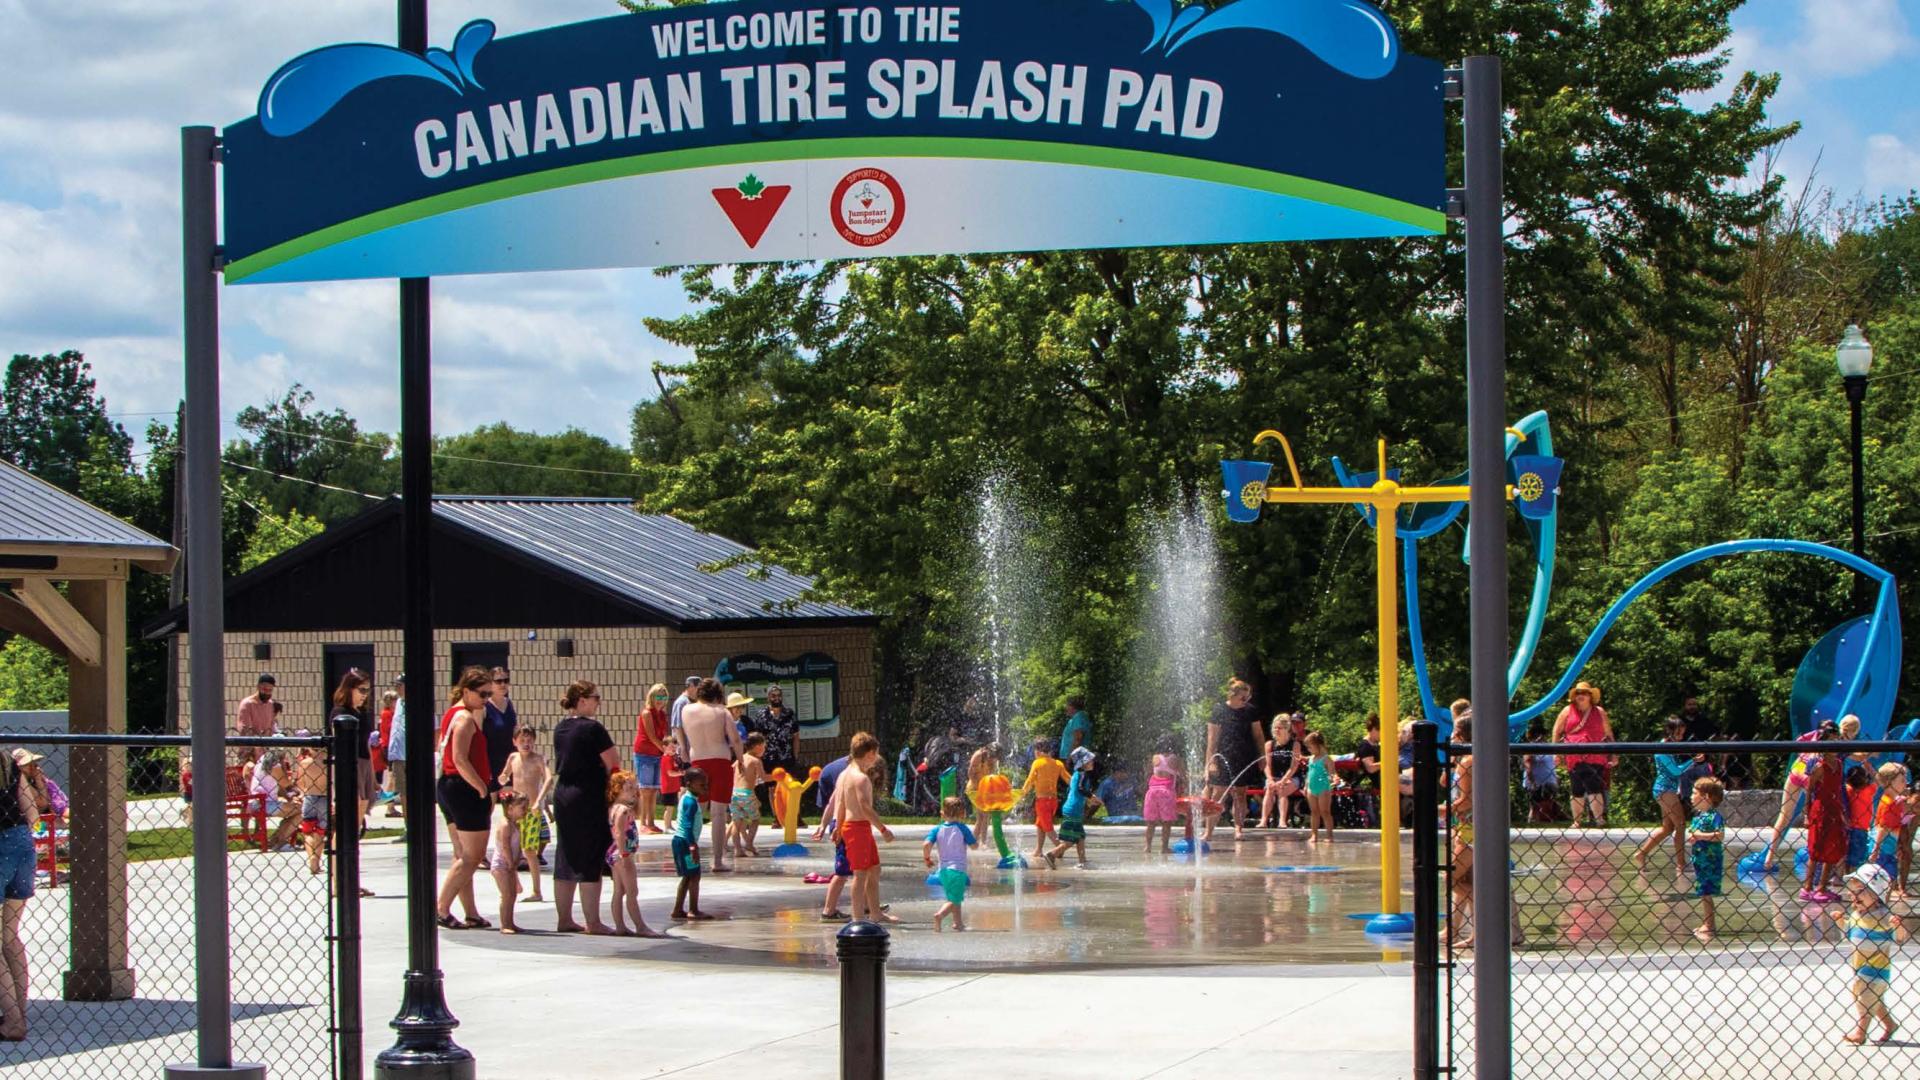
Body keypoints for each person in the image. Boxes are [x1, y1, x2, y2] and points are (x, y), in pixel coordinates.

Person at [551, 680, 617, 935]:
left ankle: (565, 918)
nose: (598, 702)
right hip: (588, 794)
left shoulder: (560, 728)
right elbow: (613, 763)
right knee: (590, 855)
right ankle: (593, 921)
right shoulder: (593, 729)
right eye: (595, 697)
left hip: (563, 794)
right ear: (582, 700)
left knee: (566, 854)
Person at [435, 667, 498, 930]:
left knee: (462, 855)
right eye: (482, 694)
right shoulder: (463, 719)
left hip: (450, 788)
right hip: (463, 789)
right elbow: (459, 759)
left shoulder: (454, 715)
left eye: (489, 694)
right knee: (473, 856)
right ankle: (440, 908)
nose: (486, 699)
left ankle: (470, 911)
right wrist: (481, 788)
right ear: (466, 691)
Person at [679, 678, 744, 872]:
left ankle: (688, 855)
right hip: (721, 762)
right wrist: (741, 760)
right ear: (717, 695)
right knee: (718, 813)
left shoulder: (686, 710)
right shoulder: (722, 712)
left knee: (695, 811)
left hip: (697, 762)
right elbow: (735, 739)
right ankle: (717, 861)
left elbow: (682, 738)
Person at [0, 748, 39, 1041]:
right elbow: (33, 812)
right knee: (10, 935)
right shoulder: (11, 767)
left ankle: (12, 1021)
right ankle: (19, 1013)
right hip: (22, 843)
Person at [837, 733, 896, 923]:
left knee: (874, 868)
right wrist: (883, 829)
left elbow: (840, 804)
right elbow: (865, 807)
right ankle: (858, 918)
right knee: (860, 873)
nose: (877, 758)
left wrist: (838, 828)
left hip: (853, 827)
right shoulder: (861, 778)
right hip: (858, 828)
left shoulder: (844, 774)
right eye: (876, 754)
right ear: (870, 753)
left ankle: (876, 912)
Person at [1841, 863, 1901, 1045]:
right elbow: (1848, 933)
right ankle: (1890, 1024)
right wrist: (1839, 921)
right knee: (1872, 1000)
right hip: (1859, 967)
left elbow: (1899, 938)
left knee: (1865, 999)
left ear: (1876, 896)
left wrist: (1898, 926)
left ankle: (1860, 1033)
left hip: (1877, 968)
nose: (1854, 896)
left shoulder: (1883, 915)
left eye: (1860, 891)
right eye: (1852, 891)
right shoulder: (1856, 915)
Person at [1204, 679, 1265, 841]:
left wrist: (1262, 756)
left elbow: (1258, 735)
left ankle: (1238, 829)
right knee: (1218, 794)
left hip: (1245, 755)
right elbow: (1212, 740)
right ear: (1232, 695)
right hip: (1224, 756)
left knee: (1240, 793)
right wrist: (1210, 763)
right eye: (1242, 698)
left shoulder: (1250, 711)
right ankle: (1208, 832)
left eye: (1248, 698)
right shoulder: (1219, 710)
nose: (1246, 701)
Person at [605, 770, 664, 937]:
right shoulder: (623, 810)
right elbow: (619, 833)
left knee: (619, 891)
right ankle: (640, 926)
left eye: (634, 787)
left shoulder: (614, 807)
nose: (633, 790)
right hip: (622, 855)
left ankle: (620, 926)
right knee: (632, 892)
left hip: (613, 853)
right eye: (628, 787)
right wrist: (624, 854)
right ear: (617, 789)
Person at [1632, 717, 1691, 877]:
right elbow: (1676, 771)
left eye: (1682, 734)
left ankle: (1642, 854)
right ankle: (1681, 863)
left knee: (1668, 828)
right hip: (1665, 790)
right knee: (1680, 824)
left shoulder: (1670, 746)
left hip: (1667, 790)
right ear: (1670, 731)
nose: (1680, 737)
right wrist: (1692, 760)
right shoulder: (1662, 748)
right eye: (1678, 733)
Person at [499, 726, 551, 898]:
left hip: (531, 811)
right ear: (514, 742)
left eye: (529, 740)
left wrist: (539, 802)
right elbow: (505, 774)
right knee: (509, 848)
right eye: (522, 741)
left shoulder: (538, 759)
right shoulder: (512, 757)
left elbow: (548, 779)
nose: (526, 744)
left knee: (529, 851)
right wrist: (503, 778)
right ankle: (516, 884)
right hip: (514, 811)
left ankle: (537, 891)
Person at [1551, 682, 1611, 827]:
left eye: (1584, 693)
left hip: (1595, 754)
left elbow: (1608, 733)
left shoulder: (1599, 711)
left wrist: (1613, 753)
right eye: (1578, 693)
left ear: (1590, 696)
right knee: (1576, 787)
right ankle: (1577, 821)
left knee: (1594, 785)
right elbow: (1557, 731)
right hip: (1574, 754)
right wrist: (1555, 753)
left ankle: (1598, 819)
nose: (1580, 696)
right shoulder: (1567, 710)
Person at [1442, 715, 1475, 949]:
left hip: (1469, 829)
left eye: (1455, 732)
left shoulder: (1468, 763)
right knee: (1466, 879)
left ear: (1463, 735)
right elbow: (1447, 783)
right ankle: (1457, 930)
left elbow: (1468, 800)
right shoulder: (1465, 760)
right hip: (1465, 826)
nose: (1451, 736)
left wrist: (1442, 809)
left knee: (1451, 876)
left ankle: (1482, 925)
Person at [331, 668, 376, 837]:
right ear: (349, 688)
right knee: (350, 810)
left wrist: (372, 774)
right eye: (362, 690)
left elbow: (366, 744)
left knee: (362, 808)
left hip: (363, 763)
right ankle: (339, 859)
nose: (365, 695)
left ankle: (351, 852)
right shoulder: (340, 712)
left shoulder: (362, 713)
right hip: (348, 764)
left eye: (368, 690)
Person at [1802, 744, 1848, 903]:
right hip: (1820, 810)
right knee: (1816, 849)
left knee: (1833, 847)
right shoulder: (1820, 767)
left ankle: (1822, 886)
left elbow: (1838, 789)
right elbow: (1809, 789)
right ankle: (1807, 887)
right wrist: (1807, 813)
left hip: (1834, 809)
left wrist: (1842, 812)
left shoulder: (1839, 765)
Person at [923, 796, 977, 931]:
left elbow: (926, 844)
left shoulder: (937, 829)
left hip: (943, 871)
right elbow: (974, 846)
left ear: (942, 813)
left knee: (953, 896)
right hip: (958, 870)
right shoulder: (962, 828)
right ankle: (940, 915)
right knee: (955, 900)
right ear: (962, 814)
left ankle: (958, 923)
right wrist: (973, 841)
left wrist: (927, 859)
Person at [748, 684, 801, 822]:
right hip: (769, 757)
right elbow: (757, 739)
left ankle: (795, 816)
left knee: (792, 785)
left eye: (778, 695)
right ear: (768, 697)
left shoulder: (789, 713)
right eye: (773, 695)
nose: (776, 698)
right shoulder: (761, 715)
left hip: (787, 756)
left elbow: (796, 735)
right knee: (772, 788)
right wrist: (758, 756)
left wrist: (795, 754)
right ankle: (777, 817)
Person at [1044, 748, 1103, 869]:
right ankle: (1052, 854)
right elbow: (1081, 789)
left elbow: (1076, 792)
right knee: (1071, 839)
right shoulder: (1082, 774)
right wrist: (1091, 796)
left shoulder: (1077, 774)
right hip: (1073, 810)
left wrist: (1089, 799)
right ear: (1083, 763)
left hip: (1072, 809)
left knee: (1080, 836)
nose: (1092, 762)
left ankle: (1083, 861)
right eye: (1090, 760)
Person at [1685, 777, 1725, 943]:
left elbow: (1720, 835)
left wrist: (1699, 836)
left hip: (1710, 860)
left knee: (1706, 891)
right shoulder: (1699, 816)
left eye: (1695, 793)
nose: (1691, 796)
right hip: (1700, 859)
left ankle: (1709, 924)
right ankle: (1708, 922)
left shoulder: (1714, 816)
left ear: (1706, 797)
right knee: (1703, 892)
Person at [1017, 738, 1068, 861]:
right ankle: (1038, 850)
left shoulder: (1037, 763)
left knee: (1048, 828)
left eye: (1035, 750)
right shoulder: (1058, 764)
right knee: (1041, 825)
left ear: (1038, 751)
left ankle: (1060, 848)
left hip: (1042, 801)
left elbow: (1030, 780)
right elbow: (1068, 778)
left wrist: (1022, 794)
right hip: (1053, 801)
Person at [670, 767, 710, 921]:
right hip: (685, 842)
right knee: (694, 875)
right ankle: (693, 910)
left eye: (706, 784)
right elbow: (687, 826)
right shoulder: (690, 803)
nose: (705, 788)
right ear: (689, 784)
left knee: (688, 876)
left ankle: (678, 909)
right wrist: (692, 846)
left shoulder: (689, 798)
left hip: (682, 842)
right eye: (701, 785)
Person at [488, 794, 530, 935]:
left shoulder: (516, 824)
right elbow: (505, 846)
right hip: (501, 865)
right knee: (506, 895)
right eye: (523, 808)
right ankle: (504, 924)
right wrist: (511, 863)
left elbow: (517, 845)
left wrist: (517, 860)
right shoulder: (505, 824)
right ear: (510, 808)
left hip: (510, 864)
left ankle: (510, 922)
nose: (525, 811)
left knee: (512, 895)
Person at [633, 683, 672, 833]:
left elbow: (662, 736)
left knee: (654, 789)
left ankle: (651, 821)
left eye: (663, 697)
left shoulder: (662, 714)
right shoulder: (646, 713)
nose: (660, 700)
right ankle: (643, 823)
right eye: (658, 696)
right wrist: (664, 749)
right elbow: (651, 736)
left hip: (657, 754)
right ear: (652, 696)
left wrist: (667, 747)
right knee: (645, 789)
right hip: (644, 753)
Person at [1869, 763, 1911, 894]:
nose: (1906, 783)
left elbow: (1900, 822)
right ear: (1889, 782)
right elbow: (1883, 828)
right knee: (1885, 877)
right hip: (1882, 848)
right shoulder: (1889, 803)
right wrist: (1876, 849)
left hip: (1890, 846)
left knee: (1887, 878)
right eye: (1902, 781)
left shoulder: (1896, 801)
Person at [1259, 714, 1305, 830]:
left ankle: (1282, 821)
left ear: (1287, 729)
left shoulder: (1295, 745)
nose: (1276, 730)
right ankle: (1263, 820)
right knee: (1269, 789)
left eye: (1280, 728)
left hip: (1292, 777)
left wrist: (1284, 780)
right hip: (1273, 777)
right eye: (1275, 727)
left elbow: (1294, 766)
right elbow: (1267, 765)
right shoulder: (1269, 745)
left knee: (1282, 790)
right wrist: (1269, 779)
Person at [729, 733, 769, 858]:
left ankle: (737, 850)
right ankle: (749, 843)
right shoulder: (756, 761)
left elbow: (731, 770)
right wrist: (779, 777)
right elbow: (764, 777)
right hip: (746, 794)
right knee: (755, 819)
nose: (764, 749)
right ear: (757, 747)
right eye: (763, 746)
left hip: (734, 793)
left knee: (737, 822)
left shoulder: (740, 759)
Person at [252, 749, 301, 850]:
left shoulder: (261, 763)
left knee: (297, 810)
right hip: (264, 804)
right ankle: (280, 842)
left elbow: (280, 788)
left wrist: (290, 797)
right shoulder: (275, 766)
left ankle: (275, 840)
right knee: (303, 810)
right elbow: (285, 784)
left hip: (259, 802)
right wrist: (296, 789)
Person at [294, 745, 329, 878]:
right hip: (324, 797)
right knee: (320, 831)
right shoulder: (329, 762)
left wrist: (302, 793)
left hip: (309, 796)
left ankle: (312, 859)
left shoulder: (305, 763)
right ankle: (317, 859)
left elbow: (300, 781)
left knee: (308, 831)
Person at [1142, 737, 1180, 854]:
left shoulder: (1155, 757)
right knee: (1166, 822)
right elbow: (1182, 775)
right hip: (1166, 792)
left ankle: (1147, 847)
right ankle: (1164, 848)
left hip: (1152, 791)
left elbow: (1148, 772)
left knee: (1150, 822)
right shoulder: (1175, 759)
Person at [482, 667, 518, 782]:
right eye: (498, 681)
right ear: (490, 684)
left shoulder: (509, 703)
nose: (503, 684)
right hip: (491, 761)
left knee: (512, 798)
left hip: (509, 760)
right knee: (492, 798)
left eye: (506, 680)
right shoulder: (484, 706)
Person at [1303, 732, 1334, 843]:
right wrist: (1306, 786)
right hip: (1312, 788)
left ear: (1318, 745)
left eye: (1310, 747)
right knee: (1314, 812)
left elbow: (1332, 774)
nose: (1309, 749)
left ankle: (1329, 835)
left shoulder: (1326, 759)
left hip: (1323, 788)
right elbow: (1309, 773)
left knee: (1325, 812)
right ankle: (1314, 835)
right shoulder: (1311, 759)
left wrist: (1332, 779)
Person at [965, 745, 1000, 842]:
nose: (993, 760)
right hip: (974, 789)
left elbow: (989, 775)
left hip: (983, 789)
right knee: (985, 815)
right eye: (992, 757)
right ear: (988, 752)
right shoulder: (978, 755)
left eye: (995, 758)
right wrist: (978, 789)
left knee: (981, 818)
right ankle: (983, 843)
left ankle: (973, 842)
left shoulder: (992, 760)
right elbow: (970, 773)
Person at [1352, 714, 1382, 826]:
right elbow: (1371, 768)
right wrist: (1389, 763)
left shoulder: (1377, 745)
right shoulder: (1365, 746)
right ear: (1374, 729)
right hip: (1376, 779)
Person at [812, 753, 851, 840]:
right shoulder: (854, 778)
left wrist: (823, 825)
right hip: (848, 825)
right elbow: (841, 804)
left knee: (842, 852)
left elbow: (831, 803)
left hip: (837, 822)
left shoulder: (842, 776)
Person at [385, 674, 408, 819]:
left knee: (412, 794)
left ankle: (414, 828)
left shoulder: (420, 703)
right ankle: (408, 828)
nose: (397, 688)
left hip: (410, 756)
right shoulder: (399, 702)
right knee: (403, 794)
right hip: (398, 756)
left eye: (399, 685)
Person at [374, 689, 396, 796]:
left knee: (394, 774)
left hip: (390, 745)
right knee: (393, 774)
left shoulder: (389, 713)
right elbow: (390, 729)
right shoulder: (387, 714)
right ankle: (389, 803)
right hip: (389, 746)